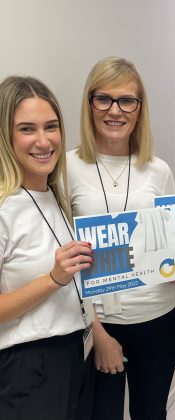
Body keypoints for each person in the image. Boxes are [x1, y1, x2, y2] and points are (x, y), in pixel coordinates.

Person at [66, 57, 175, 420]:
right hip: (99, 321)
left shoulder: (159, 169)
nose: (115, 110)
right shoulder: (65, 168)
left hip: (159, 317)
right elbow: (65, 261)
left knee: (151, 413)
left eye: (127, 101)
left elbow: (170, 240)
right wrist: (97, 333)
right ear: (89, 105)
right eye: (104, 99)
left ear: (139, 109)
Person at [0, 76, 94, 420]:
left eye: (51, 127)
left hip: (73, 355)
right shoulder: (4, 208)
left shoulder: (54, 196)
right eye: (27, 129)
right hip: (28, 366)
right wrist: (53, 279)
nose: (43, 141)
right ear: (5, 137)